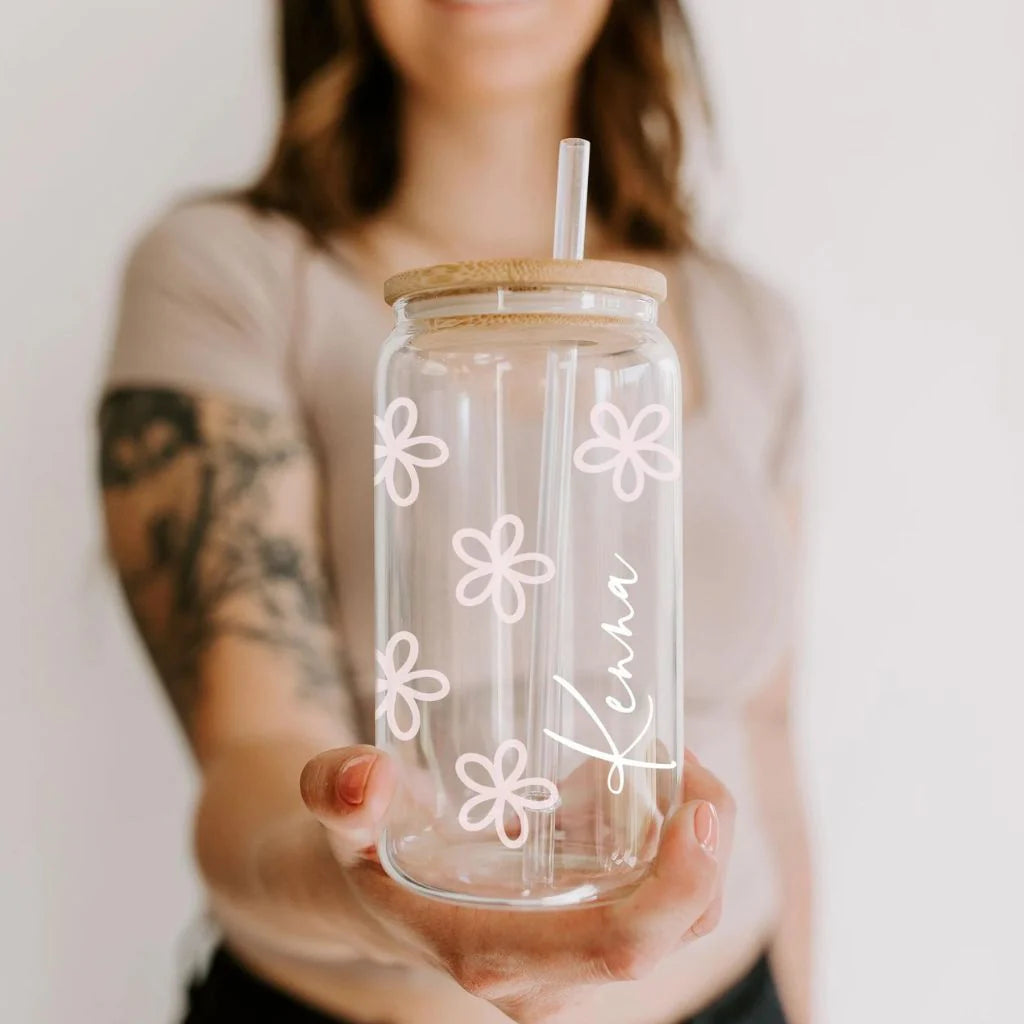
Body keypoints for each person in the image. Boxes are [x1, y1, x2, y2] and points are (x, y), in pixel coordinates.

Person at [97, 2, 811, 1022]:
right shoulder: (231, 274)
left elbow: (768, 741)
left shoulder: (748, 326)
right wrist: (360, 881)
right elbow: (249, 760)